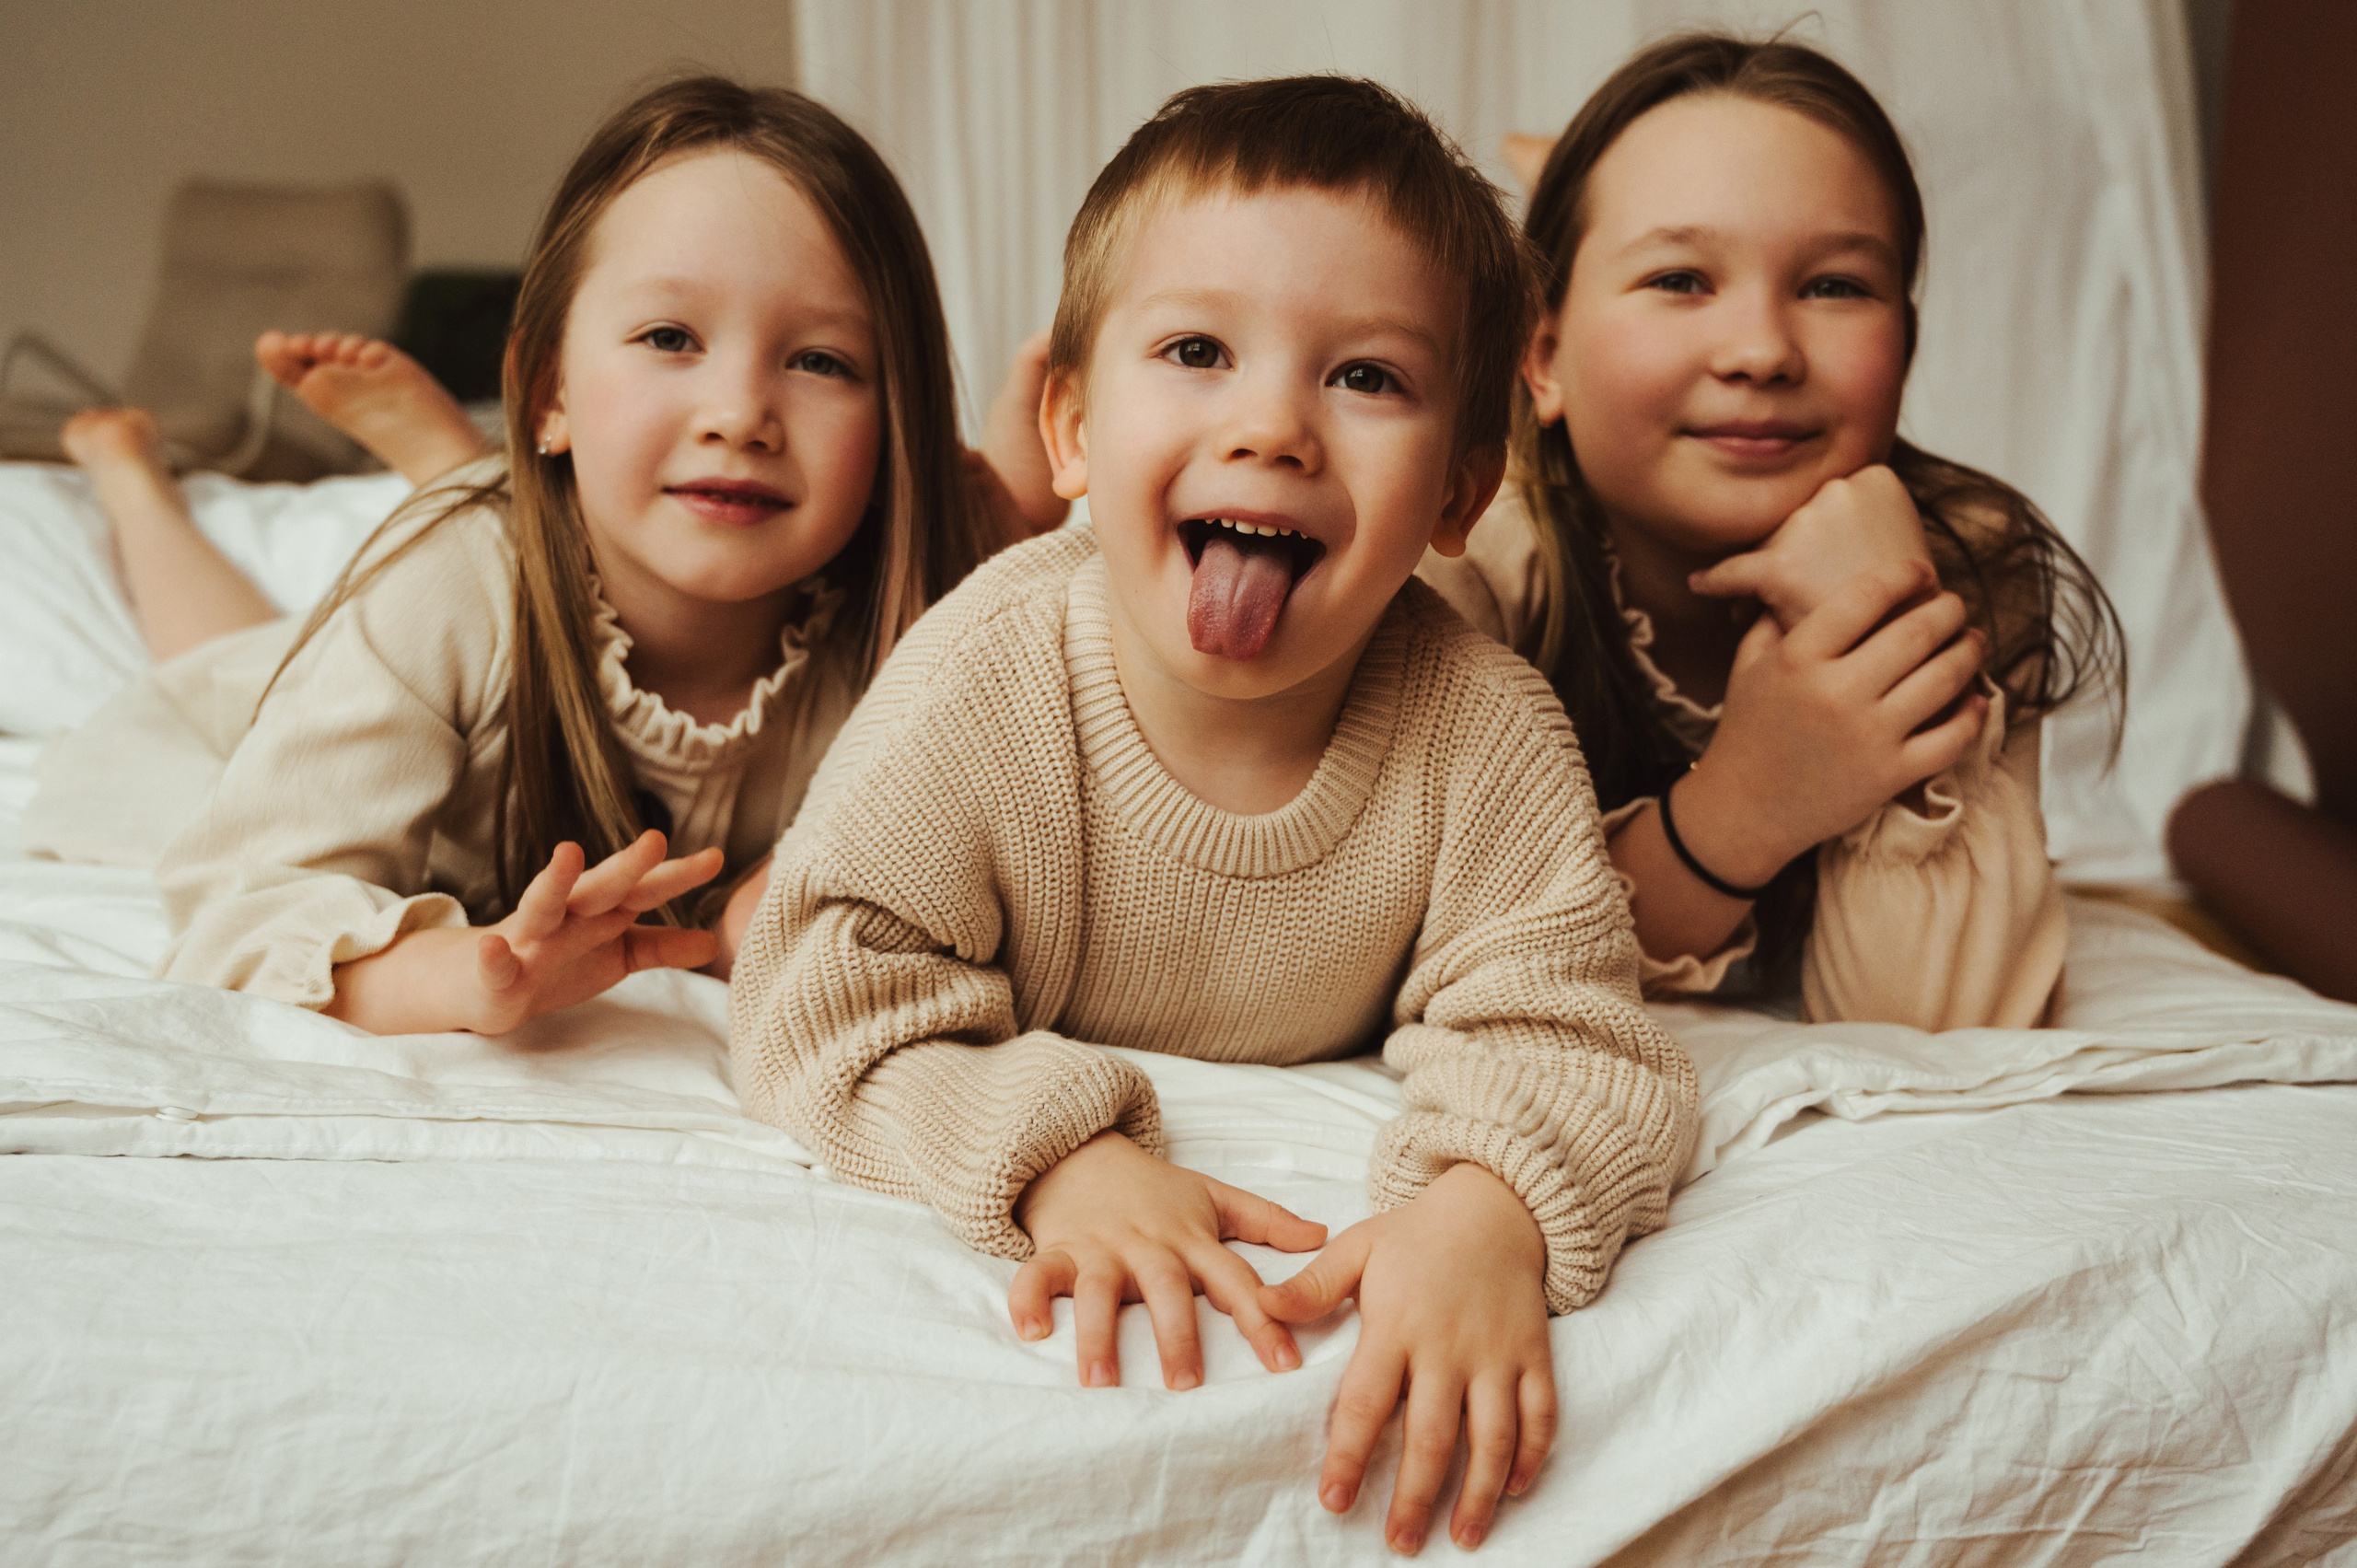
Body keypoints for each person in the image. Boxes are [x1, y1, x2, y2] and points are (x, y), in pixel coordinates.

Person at [726, 76, 1696, 1557]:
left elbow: (1570, 1028)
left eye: (1366, 376)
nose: (1273, 427)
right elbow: (818, 986)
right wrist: (1061, 1156)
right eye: (1196, 351)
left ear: (1460, 488)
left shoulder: (1484, 728)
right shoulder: (991, 669)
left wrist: (1486, 1209)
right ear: (1069, 426)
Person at [26, 75, 1016, 1025]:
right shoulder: (443, 590)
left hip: (476, 623)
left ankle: (461, 474)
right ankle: (131, 475)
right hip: (243, 722)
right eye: (670, 337)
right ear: (549, 395)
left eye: (820, 360)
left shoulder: (915, 625)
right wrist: (469, 976)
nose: (739, 414)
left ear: (897, 426)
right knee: (241, 666)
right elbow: (243, 917)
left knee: (364, 614)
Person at [1421, 33, 2123, 1029]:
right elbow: (1436, 948)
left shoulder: (1965, 559)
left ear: (1905, 348)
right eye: (1679, 279)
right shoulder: (1471, 565)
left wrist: (1876, 619)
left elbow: (1938, 1014)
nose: (1761, 351)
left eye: (1835, 286)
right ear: (1542, 355)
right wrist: (1746, 804)